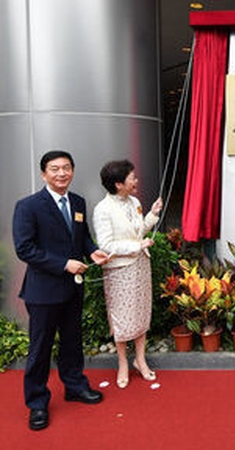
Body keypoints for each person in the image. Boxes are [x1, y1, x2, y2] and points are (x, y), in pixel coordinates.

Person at [13, 150, 110, 431]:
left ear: (73, 171)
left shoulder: (78, 202)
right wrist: (63, 264)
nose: (61, 173)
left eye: (66, 168)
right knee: (40, 348)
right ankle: (37, 403)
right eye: (54, 169)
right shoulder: (28, 206)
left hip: (73, 289)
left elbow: (83, 239)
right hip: (43, 291)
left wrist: (93, 253)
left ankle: (75, 386)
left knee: (72, 342)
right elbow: (25, 249)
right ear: (44, 174)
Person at [92, 160, 162, 389]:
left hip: (140, 266)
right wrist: (137, 247)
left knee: (141, 312)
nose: (136, 181)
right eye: (132, 178)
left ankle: (140, 360)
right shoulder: (102, 209)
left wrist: (152, 214)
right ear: (118, 184)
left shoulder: (135, 202)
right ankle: (122, 362)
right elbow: (106, 244)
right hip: (119, 269)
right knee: (121, 318)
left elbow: (139, 230)